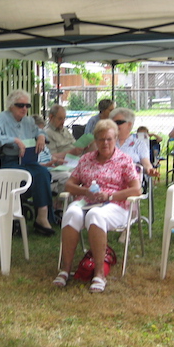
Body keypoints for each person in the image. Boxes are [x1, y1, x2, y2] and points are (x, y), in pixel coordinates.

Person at [53, 119, 141, 293]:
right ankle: (65, 269)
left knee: (95, 215)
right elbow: (69, 185)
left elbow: (136, 189)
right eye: (101, 139)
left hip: (115, 203)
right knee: (71, 213)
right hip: (87, 200)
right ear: (95, 140)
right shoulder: (86, 159)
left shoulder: (124, 160)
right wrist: (85, 191)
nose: (105, 143)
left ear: (115, 139)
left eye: (109, 139)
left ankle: (99, 274)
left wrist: (110, 195)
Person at [0, 90, 55, 236]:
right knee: (30, 175)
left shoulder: (28, 121)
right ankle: (34, 215)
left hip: (26, 160)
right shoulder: (1, 119)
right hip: (7, 160)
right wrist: (14, 140)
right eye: (20, 105)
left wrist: (41, 136)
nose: (24, 108)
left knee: (43, 173)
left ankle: (42, 216)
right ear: (11, 105)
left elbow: (40, 132)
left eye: (27, 105)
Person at [109, 107, 160, 178]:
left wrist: (150, 170)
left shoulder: (139, 144)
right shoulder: (105, 142)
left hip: (131, 180)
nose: (114, 125)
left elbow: (146, 163)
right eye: (111, 123)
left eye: (118, 122)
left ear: (129, 124)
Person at [33, 114, 70, 195]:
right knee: (67, 176)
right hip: (41, 172)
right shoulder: (31, 145)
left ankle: (63, 197)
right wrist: (46, 164)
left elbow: (49, 156)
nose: (41, 134)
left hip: (51, 169)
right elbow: (31, 165)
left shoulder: (43, 142)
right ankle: (60, 197)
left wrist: (56, 160)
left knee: (73, 173)